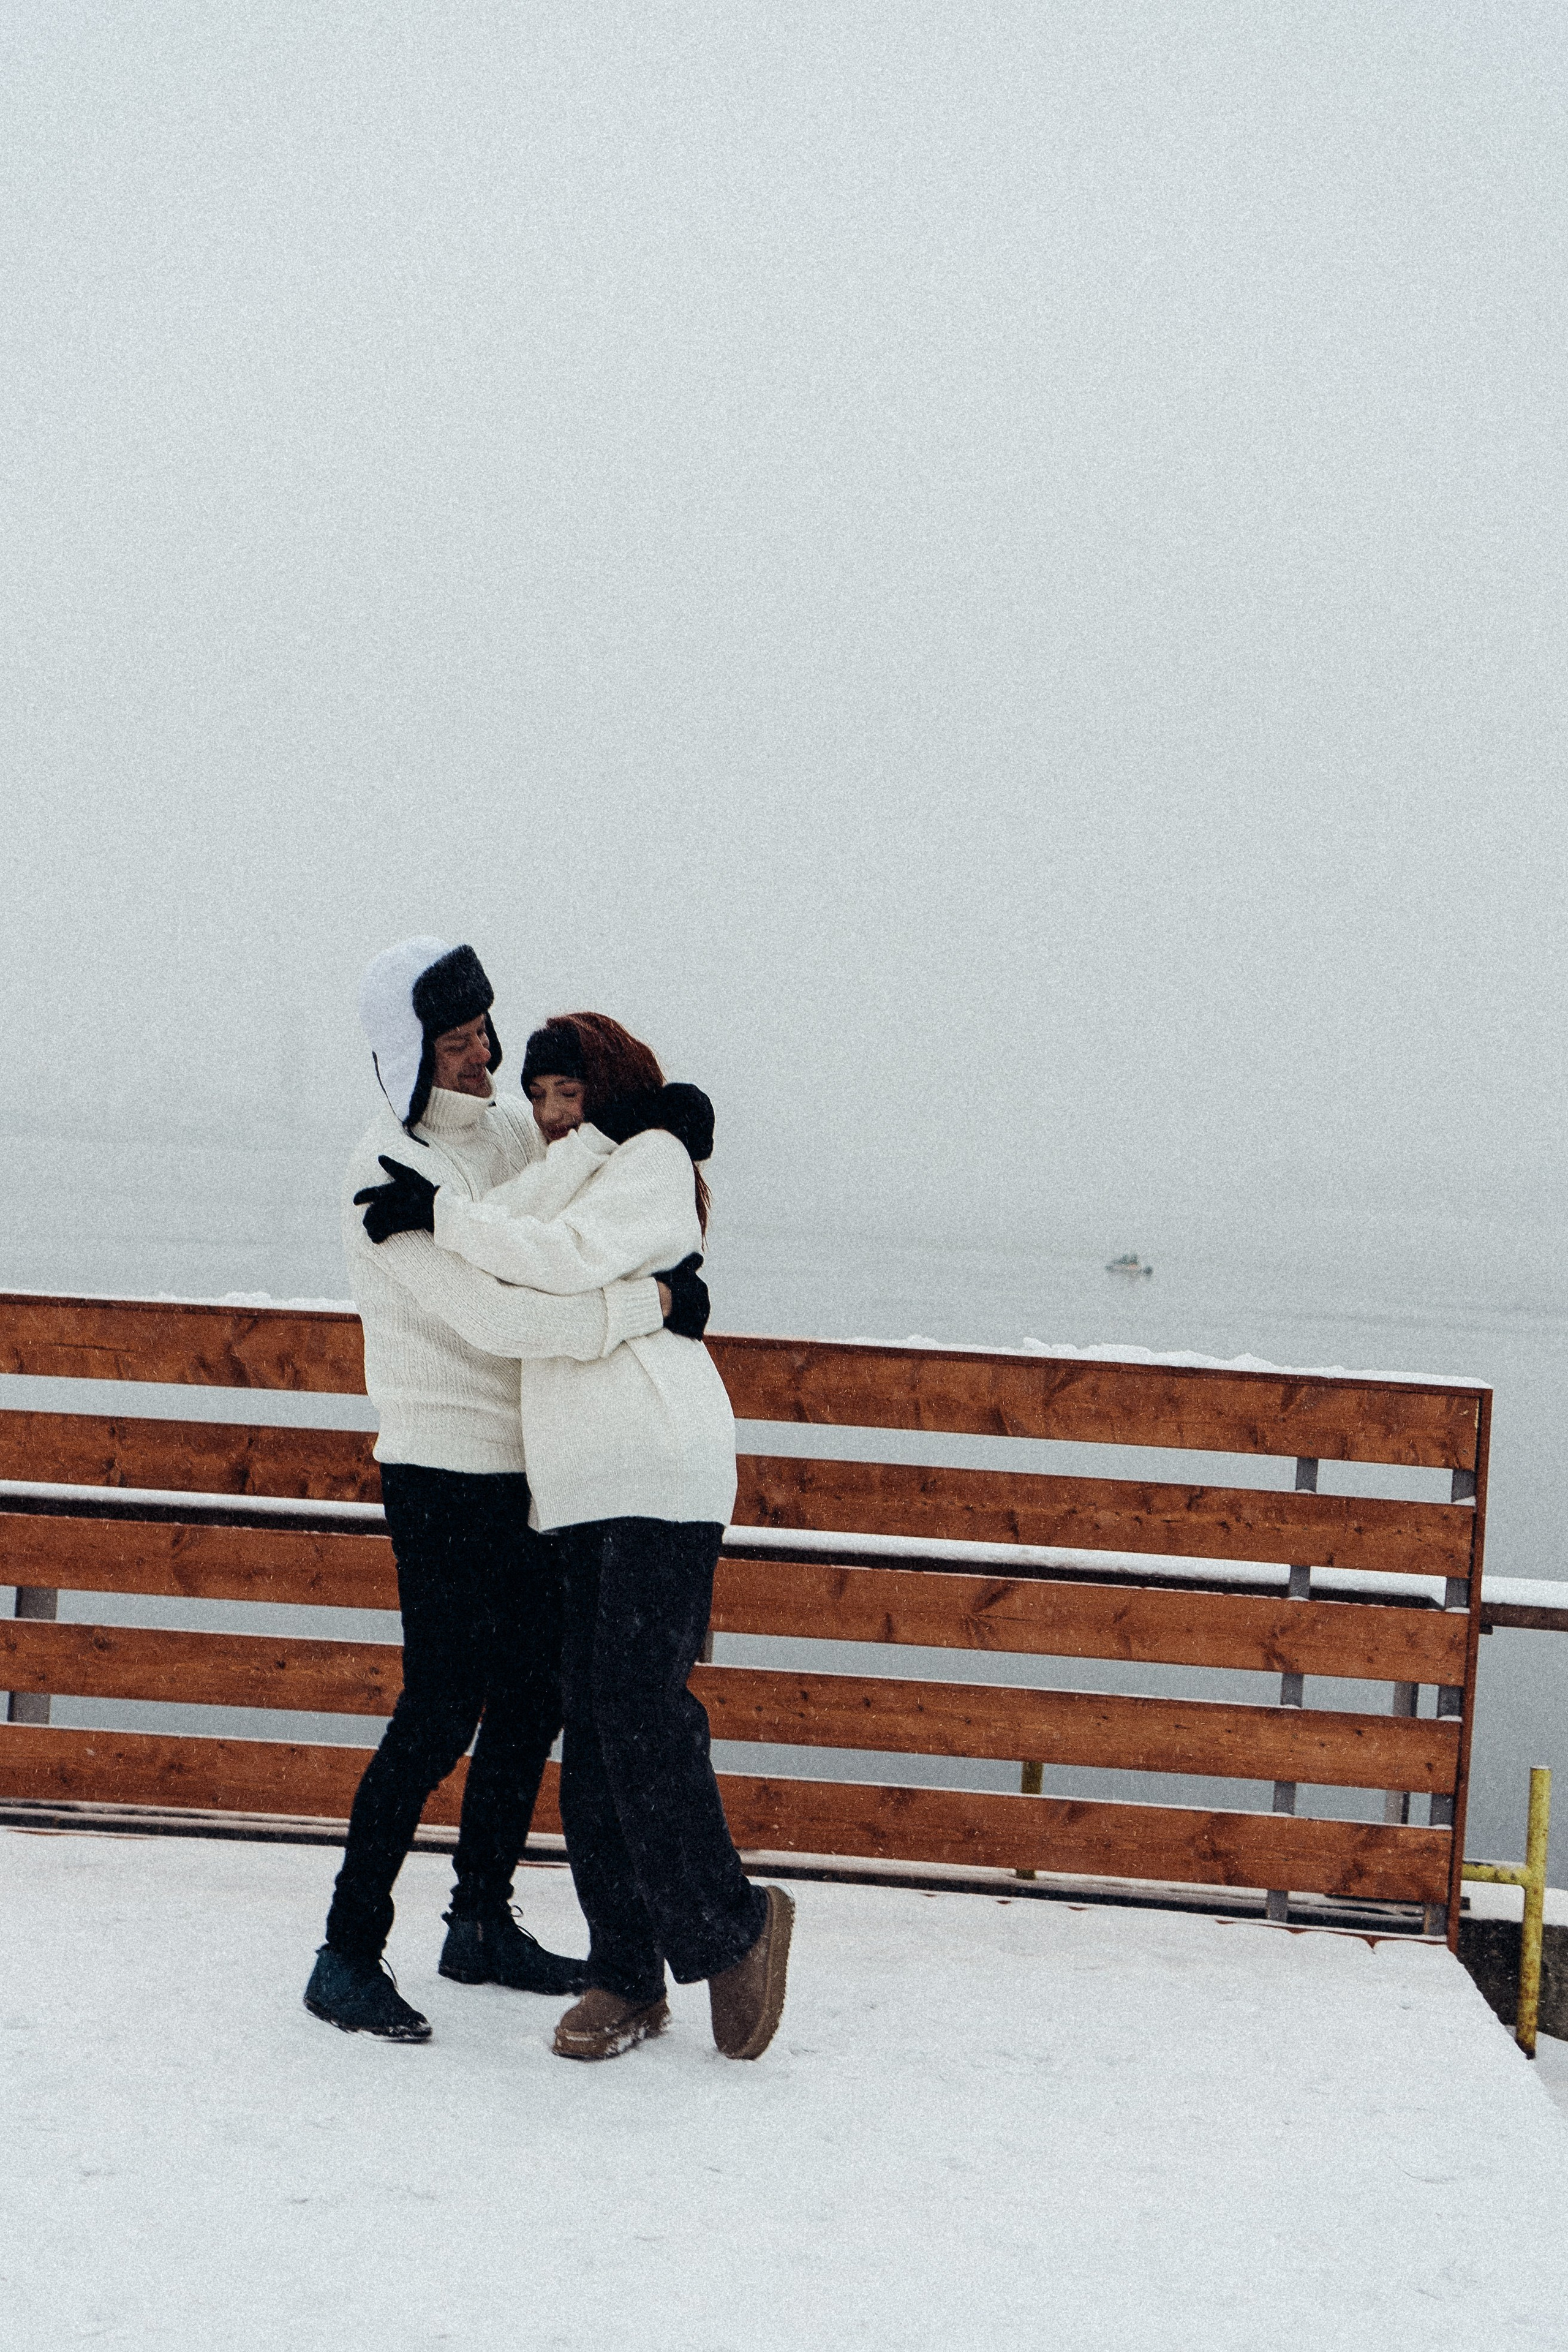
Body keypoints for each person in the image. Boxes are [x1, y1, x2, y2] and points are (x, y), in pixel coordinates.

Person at [359, 1011, 793, 2063]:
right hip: (571, 1487)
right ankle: (625, 1973)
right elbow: (516, 1248)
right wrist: (643, 1296)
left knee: (640, 1709)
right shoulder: (576, 1162)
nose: (552, 1116)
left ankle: (735, 1924)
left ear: (612, 1089)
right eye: (541, 1095)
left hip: (658, 1464)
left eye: (572, 1094)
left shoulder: (649, 1157)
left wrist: (464, 1226)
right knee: (594, 1737)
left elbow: (556, 1259)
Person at [304, 941, 706, 2045]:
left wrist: (647, 1123)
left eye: (486, 1032)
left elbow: (562, 1206)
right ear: (407, 1055)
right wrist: (653, 1308)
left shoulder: (503, 1132)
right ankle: (345, 1952)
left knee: (535, 1698)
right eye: (455, 1043)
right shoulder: (382, 1173)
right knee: (440, 1710)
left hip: (530, 1468)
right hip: (439, 1468)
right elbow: (501, 1317)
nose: (482, 1057)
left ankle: (478, 1920)